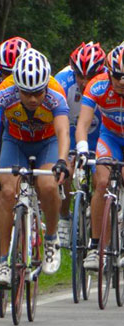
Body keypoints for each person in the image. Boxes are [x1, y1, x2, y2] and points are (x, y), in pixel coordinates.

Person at [0, 48, 70, 285]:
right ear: (17, 87)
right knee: (7, 193)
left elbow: (63, 131)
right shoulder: (3, 93)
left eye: (38, 92)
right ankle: (4, 261)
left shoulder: (56, 94)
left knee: (47, 185)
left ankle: (51, 238)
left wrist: (62, 161)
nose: (33, 99)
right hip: (15, 142)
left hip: (47, 143)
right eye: (27, 93)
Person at [0, 36, 31, 296]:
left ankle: (33, 225)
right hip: (1, 139)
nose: (10, 80)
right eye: (5, 73)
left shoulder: (38, 82)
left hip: (31, 136)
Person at [75, 42, 124, 269]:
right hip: (110, 138)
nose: (122, 81)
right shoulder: (97, 86)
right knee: (102, 182)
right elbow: (82, 124)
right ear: (108, 71)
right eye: (117, 76)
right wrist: (83, 148)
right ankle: (96, 247)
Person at [55, 42, 106, 248]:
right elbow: (58, 121)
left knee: (99, 176)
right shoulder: (62, 81)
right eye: (80, 76)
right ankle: (65, 217)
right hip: (72, 134)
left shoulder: (105, 84)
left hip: (99, 135)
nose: (84, 82)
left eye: (89, 77)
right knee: (65, 171)